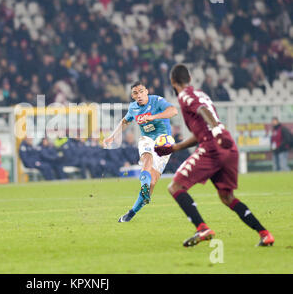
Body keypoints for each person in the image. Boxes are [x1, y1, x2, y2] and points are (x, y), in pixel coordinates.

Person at [155, 64, 274, 247]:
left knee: (175, 186)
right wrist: (175, 148)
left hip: (213, 146)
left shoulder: (186, 95)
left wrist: (216, 130)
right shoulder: (201, 93)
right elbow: (200, 129)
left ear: (172, 81)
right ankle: (265, 234)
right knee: (227, 197)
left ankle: (202, 228)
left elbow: (203, 110)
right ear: (190, 79)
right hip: (227, 146)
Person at [103, 81, 178, 222]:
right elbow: (125, 121)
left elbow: (173, 111)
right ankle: (144, 185)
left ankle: (131, 212)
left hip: (164, 140)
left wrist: (153, 117)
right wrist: (113, 136)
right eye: (135, 93)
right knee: (147, 159)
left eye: (141, 91)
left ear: (147, 91)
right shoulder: (133, 108)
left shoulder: (157, 101)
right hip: (147, 139)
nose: (139, 95)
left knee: (152, 183)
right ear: (132, 96)